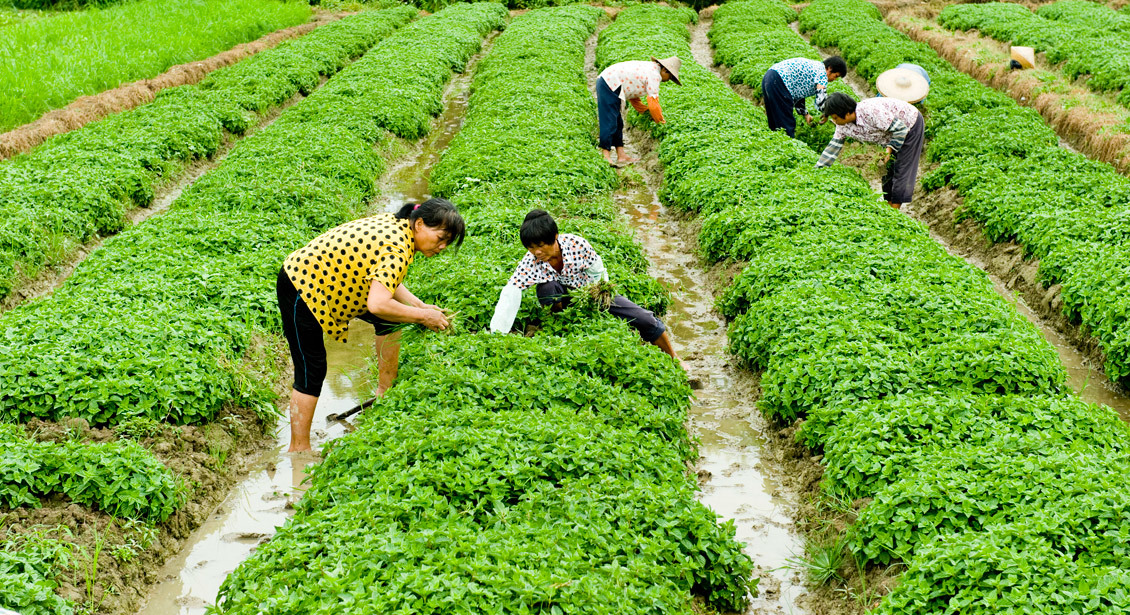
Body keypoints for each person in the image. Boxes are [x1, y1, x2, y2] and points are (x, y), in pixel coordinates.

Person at [276, 198, 466, 452]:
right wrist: (422, 317)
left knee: (391, 319)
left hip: (338, 283)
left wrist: (419, 306)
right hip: (303, 285)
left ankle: (384, 393)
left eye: (447, 243)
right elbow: (377, 303)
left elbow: (386, 280)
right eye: (440, 238)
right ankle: (298, 449)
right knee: (312, 369)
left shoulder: (400, 225)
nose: (441, 247)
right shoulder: (398, 247)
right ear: (419, 224)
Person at [488, 209, 680, 362]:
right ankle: (557, 320)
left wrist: (597, 300)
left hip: (589, 293)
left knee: (643, 318)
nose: (536, 252)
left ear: (554, 237)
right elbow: (511, 291)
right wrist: (496, 334)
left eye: (540, 245)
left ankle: (674, 357)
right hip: (562, 299)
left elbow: (598, 274)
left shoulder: (577, 245)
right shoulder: (530, 262)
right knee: (547, 288)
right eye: (530, 247)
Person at [816, 93, 925, 210]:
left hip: (909, 124)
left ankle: (895, 211)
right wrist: (818, 170)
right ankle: (889, 206)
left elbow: (901, 129)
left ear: (847, 113)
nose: (834, 121)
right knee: (887, 169)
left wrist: (889, 150)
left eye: (836, 117)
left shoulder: (870, 112)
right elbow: (833, 148)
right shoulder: (843, 126)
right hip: (888, 134)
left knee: (902, 168)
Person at [595, 56, 683, 167]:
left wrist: (645, 111)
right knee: (609, 120)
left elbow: (634, 95)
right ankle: (605, 155)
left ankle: (621, 155)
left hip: (612, 82)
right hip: (609, 83)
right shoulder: (655, 75)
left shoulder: (651, 69)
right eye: (669, 77)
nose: (667, 80)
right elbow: (653, 102)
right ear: (665, 70)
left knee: (618, 122)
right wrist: (660, 120)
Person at [762, 56, 847, 138]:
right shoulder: (822, 74)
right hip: (779, 82)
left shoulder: (815, 67)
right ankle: (787, 146)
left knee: (775, 119)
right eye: (836, 76)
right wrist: (827, 113)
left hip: (770, 77)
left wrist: (806, 114)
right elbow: (821, 99)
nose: (834, 79)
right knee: (786, 123)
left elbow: (797, 94)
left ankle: (775, 140)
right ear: (829, 69)